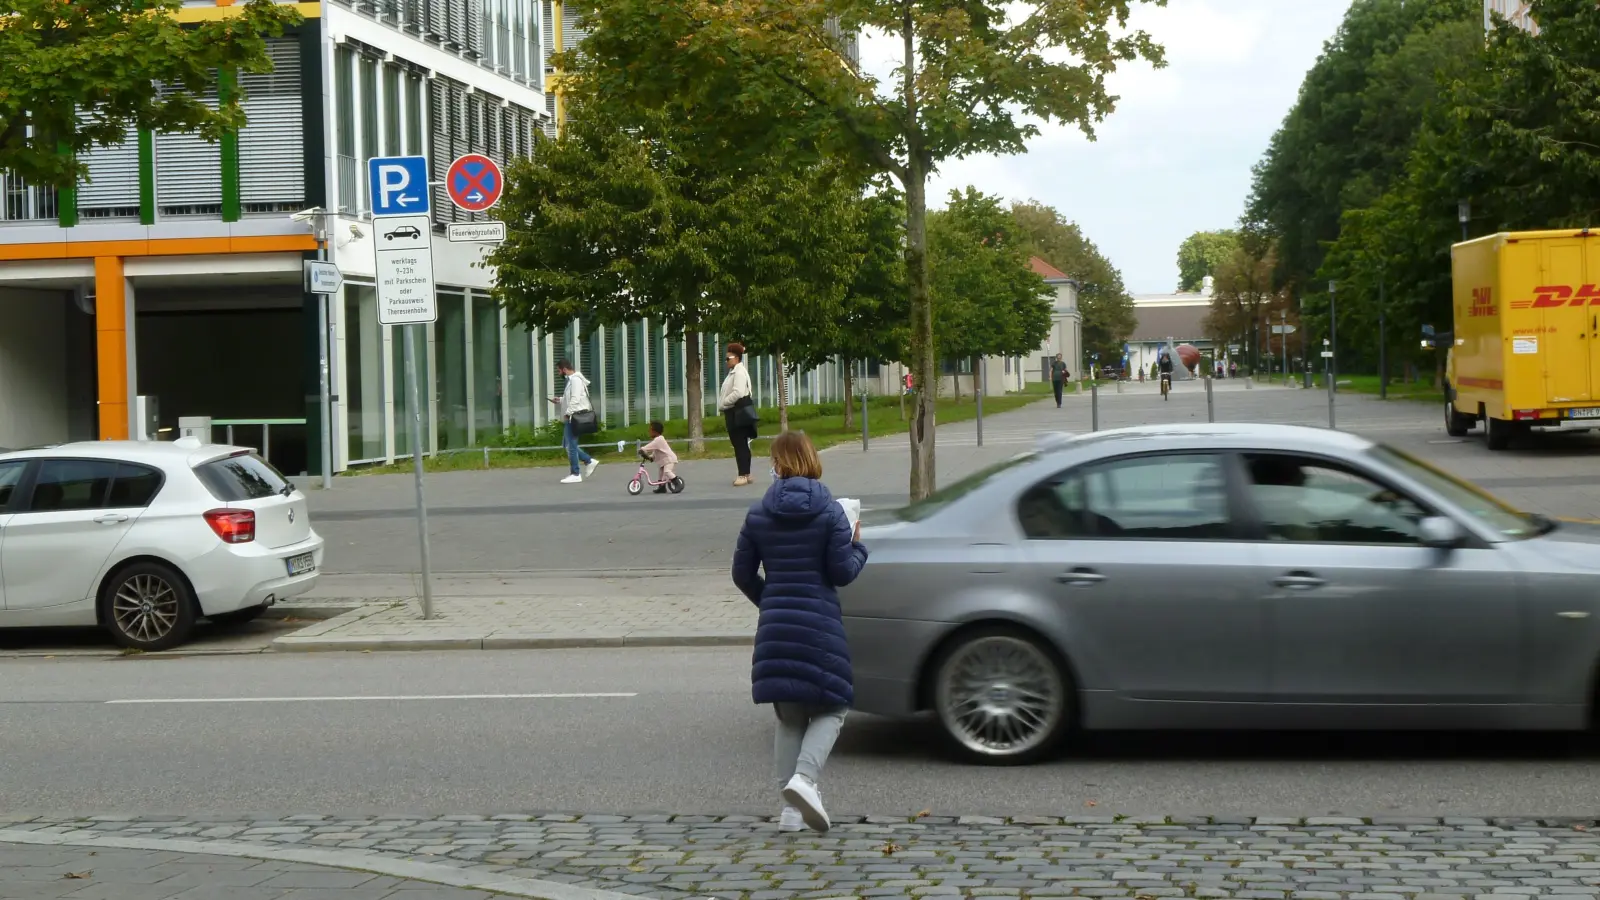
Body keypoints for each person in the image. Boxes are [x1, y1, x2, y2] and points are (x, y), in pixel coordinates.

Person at [731, 431, 868, 835]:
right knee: (834, 706)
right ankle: (805, 781)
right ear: (811, 459)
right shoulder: (831, 514)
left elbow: (741, 574)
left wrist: (770, 600)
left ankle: (790, 813)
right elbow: (842, 572)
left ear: (777, 465)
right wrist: (859, 546)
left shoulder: (758, 513)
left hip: (776, 623)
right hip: (820, 623)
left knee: (790, 717)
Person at [548, 359, 598, 485]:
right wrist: (560, 400)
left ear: (564, 369)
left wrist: (567, 413)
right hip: (572, 416)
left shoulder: (575, 380)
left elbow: (575, 399)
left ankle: (575, 473)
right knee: (568, 445)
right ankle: (588, 461)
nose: (559, 373)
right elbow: (573, 397)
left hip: (573, 417)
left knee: (571, 446)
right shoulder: (573, 380)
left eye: (559, 370)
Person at [720, 342, 757, 486]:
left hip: (736, 412)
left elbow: (738, 393)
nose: (726, 361)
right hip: (735, 411)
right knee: (741, 443)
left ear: (736, 358)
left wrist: (724, 403)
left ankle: (743, 474)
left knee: (739, 443)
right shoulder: (735, 372)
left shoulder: (739, 373)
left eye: (728, 358)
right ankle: (746, 473)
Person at [638, 420, 678, 494]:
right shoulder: (657, 440)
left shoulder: (659, 439)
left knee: (667, 471)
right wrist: (650, 457)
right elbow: (655, 451)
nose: (649, 431)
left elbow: (649, 446)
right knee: (661, 473)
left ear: (655, 431)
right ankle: (661, 487)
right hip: (664, 461)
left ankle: (677, 484)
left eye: (650, 430)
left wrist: (642, 449)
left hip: (669, 459)